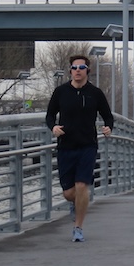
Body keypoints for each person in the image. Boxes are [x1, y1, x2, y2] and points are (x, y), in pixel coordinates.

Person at [45, 55, 114, 242]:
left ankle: (78, 227)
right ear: (70, 71)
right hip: (66, 146)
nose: (77, 70)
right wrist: (53, 127)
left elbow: (108, 116)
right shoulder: (61, 92)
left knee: (82, 185)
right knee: (69, 192)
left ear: (87, 71)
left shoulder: (95, 93)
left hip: (87, 146)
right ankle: (76, 203)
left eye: (81, 67)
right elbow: (50, 115)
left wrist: (108, 127)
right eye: (74, 68)